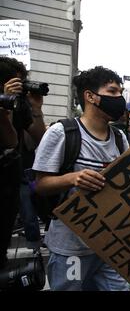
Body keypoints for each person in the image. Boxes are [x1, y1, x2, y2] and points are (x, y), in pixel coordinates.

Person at [32, 66, 130, 291]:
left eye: (120, 92)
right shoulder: (62, 133)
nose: (120, 99)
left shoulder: (119, 138)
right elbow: (40, 184)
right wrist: (72, 178)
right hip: (71, 249)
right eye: (113, 92)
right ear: (90, 96)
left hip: (111, 248)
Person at [0, 57, 46, 268]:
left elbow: (38, 137)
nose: (19, 87)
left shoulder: (18, 104)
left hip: (9, 176)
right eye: (14, 82)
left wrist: (36, 108)